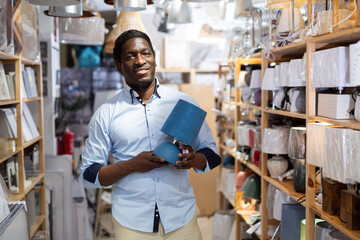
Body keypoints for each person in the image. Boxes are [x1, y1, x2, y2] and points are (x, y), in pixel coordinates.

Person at [81, 29, 221, 240]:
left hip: (181, 217)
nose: (140, 61)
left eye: (146, 53)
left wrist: (191, 159)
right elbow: (89, 175)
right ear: (119, 66)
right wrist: (131, 165)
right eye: (130, 56)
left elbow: (212, 154)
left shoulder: (183, 103)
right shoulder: (106, 113)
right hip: (131, 223)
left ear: (154, 59)